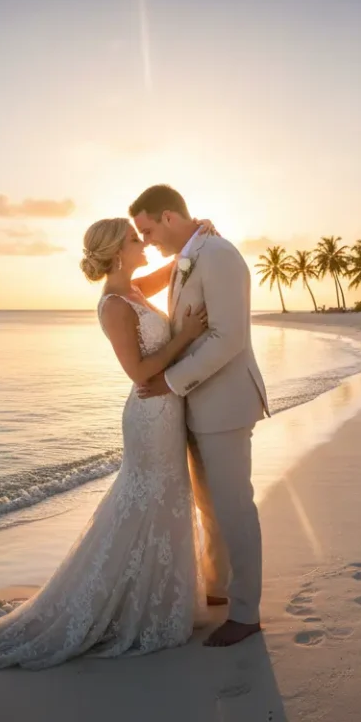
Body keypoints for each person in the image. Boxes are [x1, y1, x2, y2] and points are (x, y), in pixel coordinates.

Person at [0, 215, 216, 669]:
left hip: (166, 412)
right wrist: (186, 336)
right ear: (117, 252)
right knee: (147, 502)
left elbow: (175, 268)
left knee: (165, 501)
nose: (143, 242)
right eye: (134, 238)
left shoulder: (134, 288)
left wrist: (197, 236)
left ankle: (158, 601)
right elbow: (140, 372)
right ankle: (124, 608)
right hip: (149, 415)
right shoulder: (113, 306)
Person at [130, 184, 270, 648]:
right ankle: (218, 588)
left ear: (168, 217)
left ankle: (245, 614)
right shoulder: (189, 256)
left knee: (234, 508)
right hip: (196, 404)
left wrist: (170, 382)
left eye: (148, 231)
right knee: (210, 508)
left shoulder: (219, 255)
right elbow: (134, 289)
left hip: (225, 402)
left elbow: (229, 337)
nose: (147, 242)